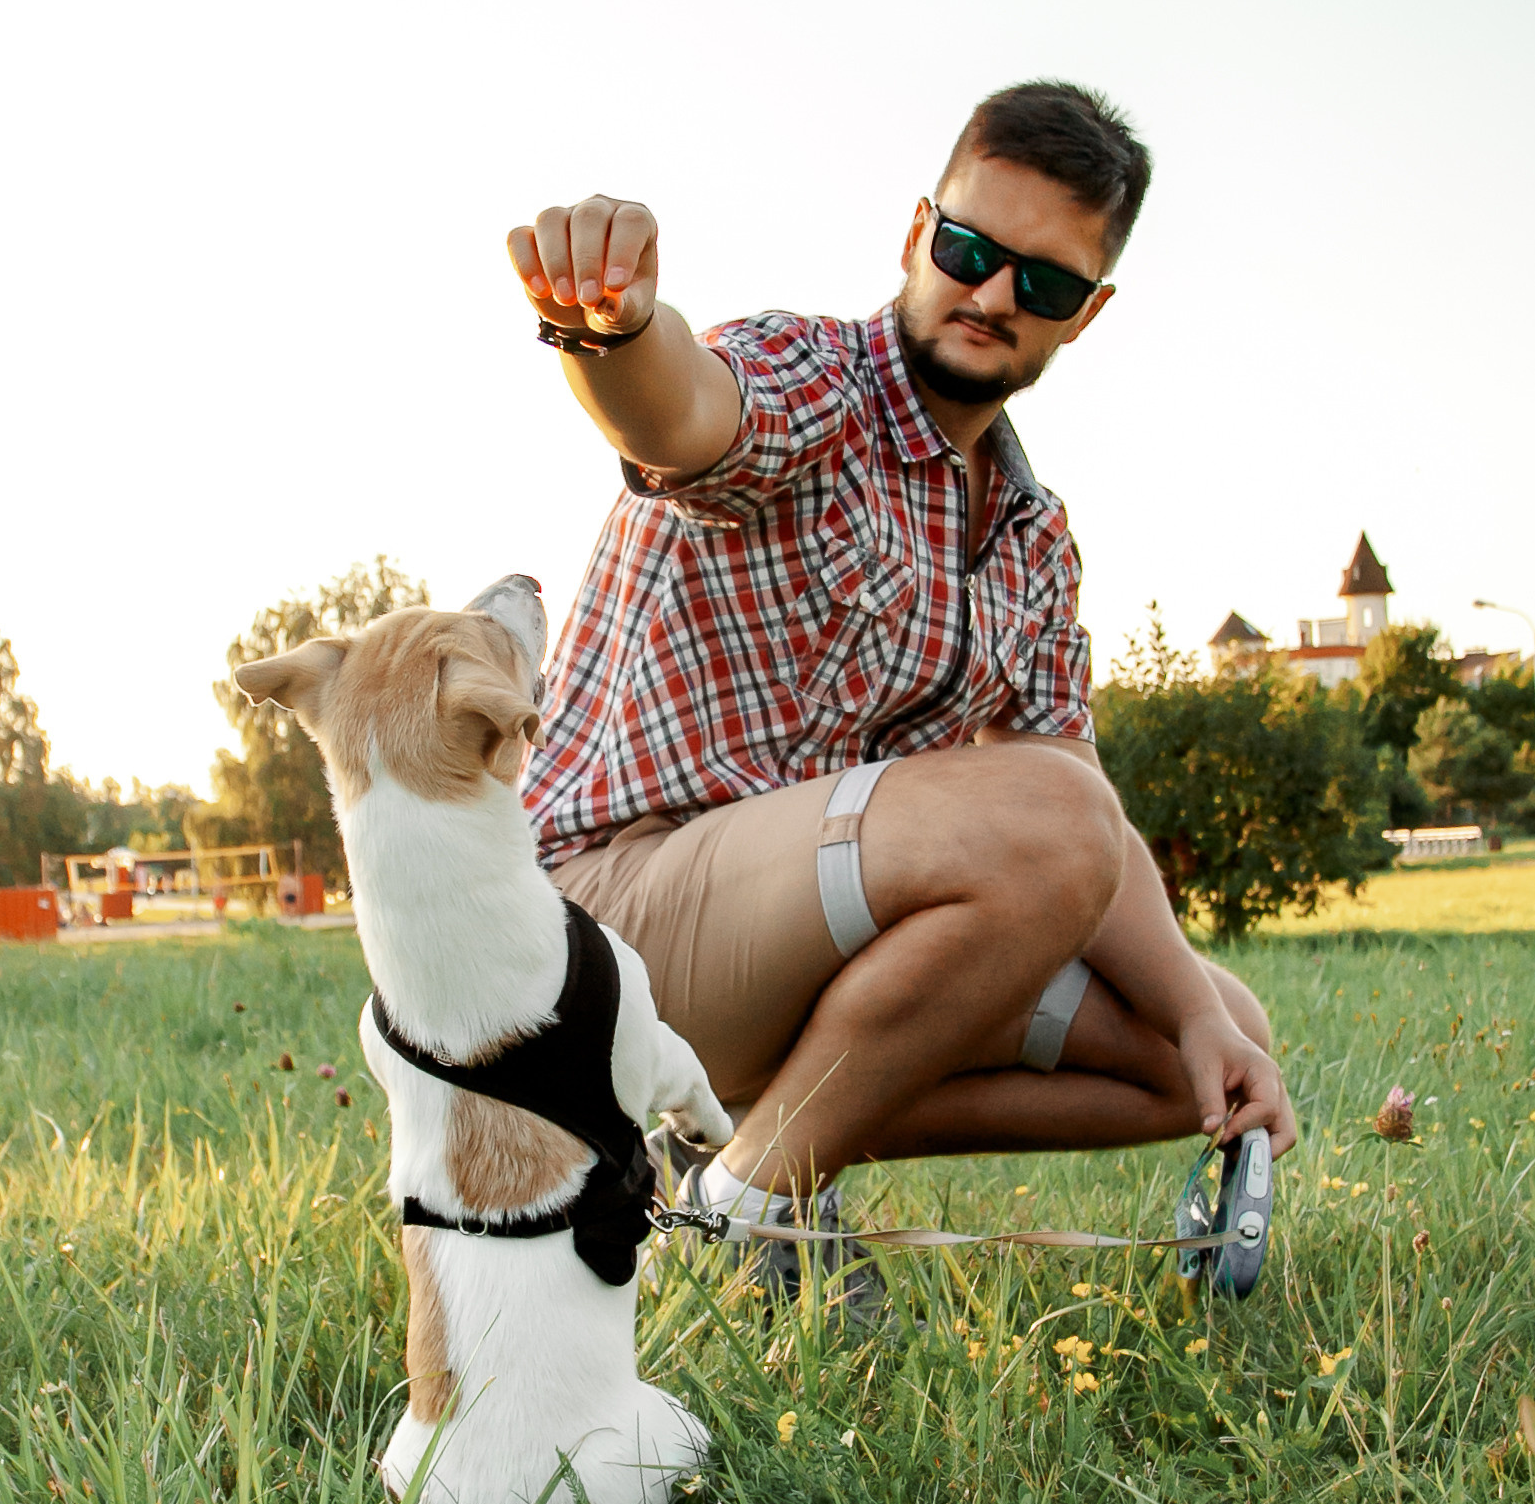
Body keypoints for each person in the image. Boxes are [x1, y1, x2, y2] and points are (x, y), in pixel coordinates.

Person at [507, 80, 1296, 1294]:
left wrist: (1197, 1018)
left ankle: (734, 1164)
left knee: (1207, 1023)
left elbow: (1087, 822)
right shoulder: (816, 379)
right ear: (916, 231)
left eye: (1041, 282)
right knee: (1046, 817)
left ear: (1084, 314)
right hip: (600, 924)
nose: (990, 297)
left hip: (785, 948)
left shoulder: (1031, 534)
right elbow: (683, 412)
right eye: (970, 251)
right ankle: (740, 1226)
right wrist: (608, 330)